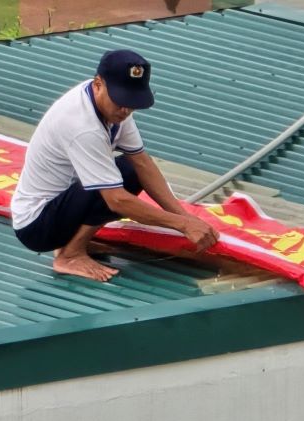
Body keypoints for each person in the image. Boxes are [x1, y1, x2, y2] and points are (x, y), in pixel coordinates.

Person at [12, 49, 219, 282]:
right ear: (98, 84)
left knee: (130, 170)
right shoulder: (82, 126)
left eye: (132, 102)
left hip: (63, 205)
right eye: (121, 101)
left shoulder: (109, 106)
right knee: (115, 182)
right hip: (38, 226)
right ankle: (69, 255)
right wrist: (182, 225)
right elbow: (116, 199)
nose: (126, 110)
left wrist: (186, 217)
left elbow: (142, 163)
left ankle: (74, 242)